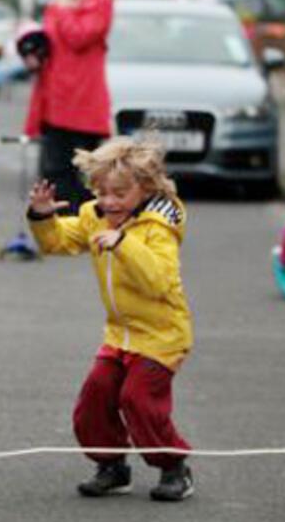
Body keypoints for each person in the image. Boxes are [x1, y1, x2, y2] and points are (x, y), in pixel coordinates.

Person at [27, 137, 195, 502]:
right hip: (120, 335)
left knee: (138, 399)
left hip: (162, 335)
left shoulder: (157, 228)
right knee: (95, 397)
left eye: (119, 194)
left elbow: (158, 281)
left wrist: (123, 243)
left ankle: (174, 466)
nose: (108, 202)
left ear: (145, 188)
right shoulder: (96, 215)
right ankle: (112, 466)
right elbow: (58, 242)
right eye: (100, 192)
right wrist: (42, 217)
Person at [24, 0, 114, 214]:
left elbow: (79, 37)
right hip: (56, 93)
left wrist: (63, 9)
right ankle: (58, 221)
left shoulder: (100, 1)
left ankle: (83, 220)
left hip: (83, 95)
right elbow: (51, 39)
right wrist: (33, 53)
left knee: (83, 167)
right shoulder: (58, 2)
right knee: (54, 165)